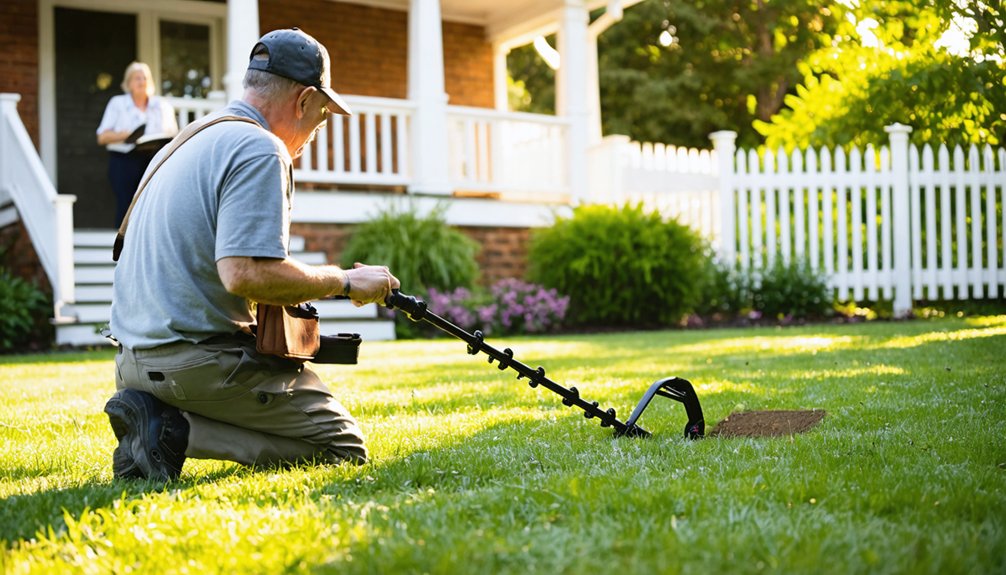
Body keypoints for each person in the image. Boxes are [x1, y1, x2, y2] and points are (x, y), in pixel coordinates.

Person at [103, 28, 400, 481]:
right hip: (190, 363)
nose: (314, 136)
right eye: (320, 119)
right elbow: (244, 274)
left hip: (130, 363)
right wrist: (346, 282)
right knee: (342, 447)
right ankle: (172, 431)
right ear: (302, 101)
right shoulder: (261, 148)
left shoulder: (184, 140)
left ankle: (151, 419)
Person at [96, 61, 179, 227]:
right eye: (137, 78)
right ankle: (123, 246)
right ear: (128, 83)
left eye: (145, 78)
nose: (142, 81)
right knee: (126, 206)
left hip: (154, 160)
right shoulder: (117, 103)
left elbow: (174, 136)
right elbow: (102, 137)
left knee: (153, 205)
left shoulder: (162, 105)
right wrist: (125, 135)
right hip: (124, 160)